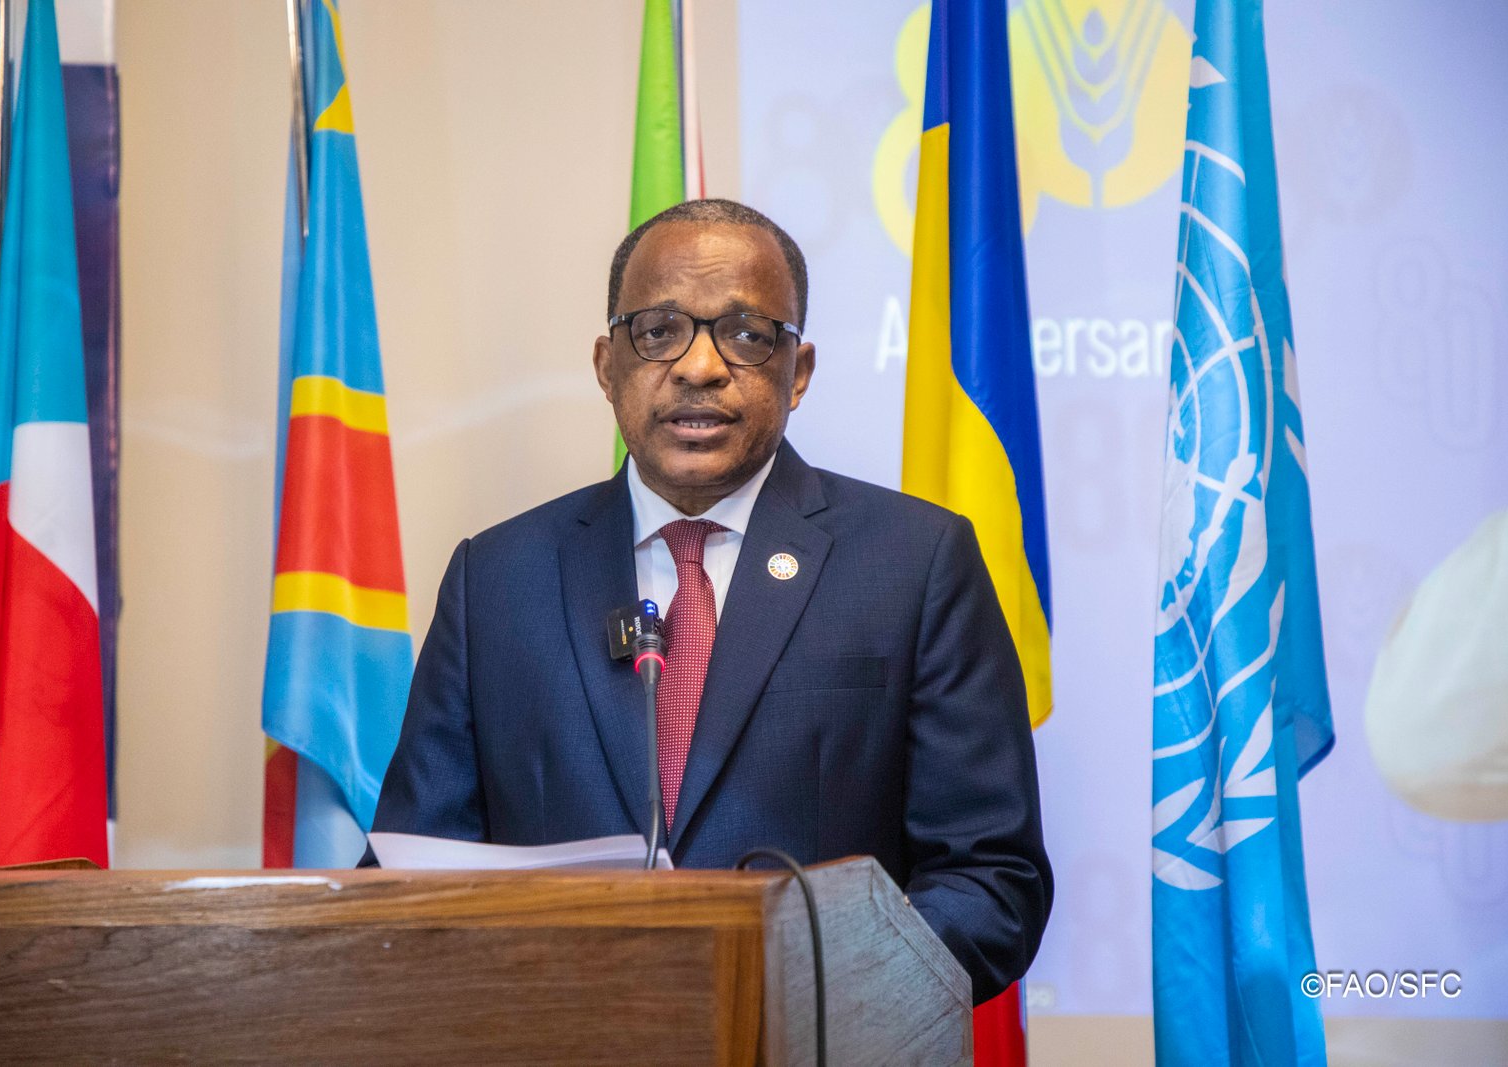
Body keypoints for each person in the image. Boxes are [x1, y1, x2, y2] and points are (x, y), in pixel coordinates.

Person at [368, 199, 1051, 1003]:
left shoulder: (916, 562)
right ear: (606, 365)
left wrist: (796, 992)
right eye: (659, 331)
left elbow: (990, 878)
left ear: (798, 372)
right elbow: (410, 871)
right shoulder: (496, 579)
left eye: (747, 335)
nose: (699, 367)